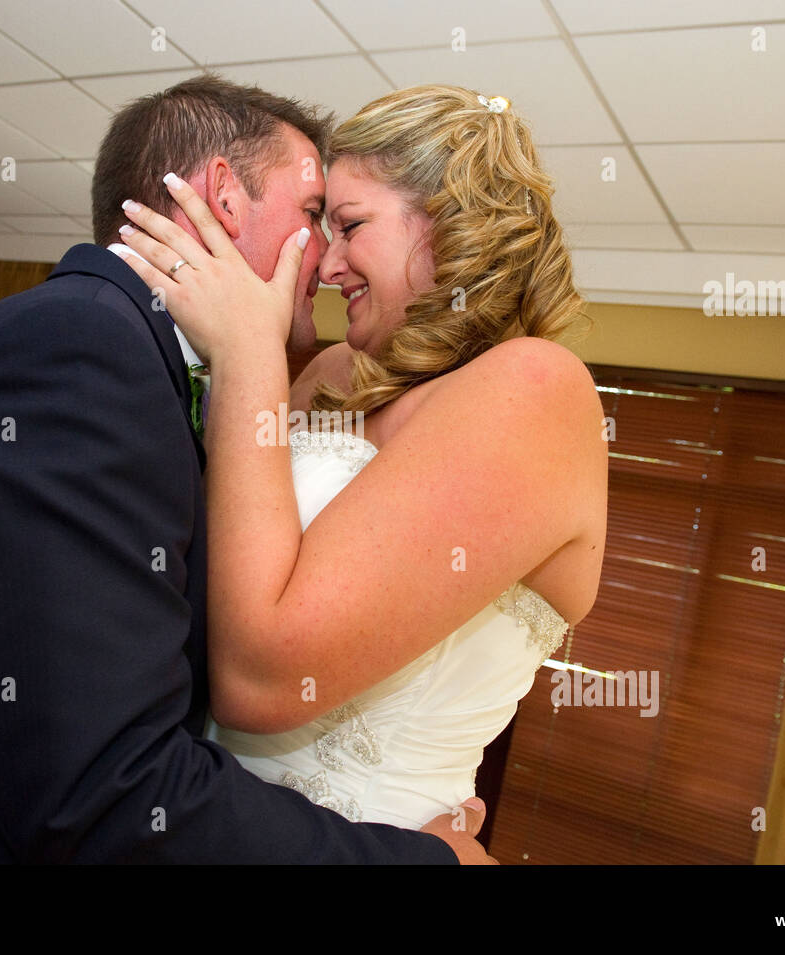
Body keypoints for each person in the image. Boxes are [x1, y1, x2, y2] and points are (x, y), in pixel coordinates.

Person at [0, 75, 489, 864]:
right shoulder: (78, 352)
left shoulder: (120, 353)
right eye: (315, 216)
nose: (324, 259)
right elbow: (105, 791)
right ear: (223, 197)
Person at [114, 84, 608, 827]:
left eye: (348, 225)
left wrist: (249, 353)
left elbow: (263, 677)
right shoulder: (333, 375)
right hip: (188, 811)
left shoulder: (535, 388)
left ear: (448, 225)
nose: (326, 258)